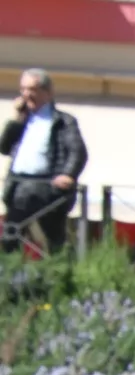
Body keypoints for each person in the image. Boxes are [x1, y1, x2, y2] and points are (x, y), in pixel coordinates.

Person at [1, 69, 85, 255]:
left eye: (32, 89)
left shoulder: (63, 121)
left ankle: (58, 278)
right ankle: (10, 280)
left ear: (47, 92)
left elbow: (77, 151)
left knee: (53, 241)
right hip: (18, 186)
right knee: (10, 239)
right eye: (23, 89)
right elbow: (4, 147)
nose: (26, 94)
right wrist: (16, 119)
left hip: (47, 188)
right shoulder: (22, 120)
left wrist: (68, 174)